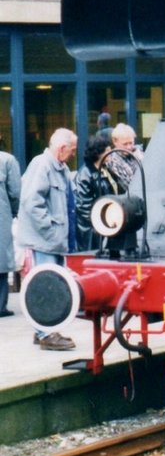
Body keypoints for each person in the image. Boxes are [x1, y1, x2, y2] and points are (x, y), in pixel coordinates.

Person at [17, 128, 78, 351]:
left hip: (53, 241)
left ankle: (43, 329)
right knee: (45, 287)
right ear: (61, 148)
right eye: (72, 150)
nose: (73, 154)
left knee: (50, 285)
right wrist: (50, 229)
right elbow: (31, 202)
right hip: (45, 241)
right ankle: (45, 333)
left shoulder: (59, 168)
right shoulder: (42, 165)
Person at [75, 134, 122, 251]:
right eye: (107, 150)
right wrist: (101, 224)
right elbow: (83, 206)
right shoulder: (85, 174)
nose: (110, 152)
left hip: (107, 223)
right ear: (98, 153)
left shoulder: (106, 169)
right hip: (93, 230)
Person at [0, 136, 19, 318]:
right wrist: (14, 212)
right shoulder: (7, 160)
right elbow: (15, 192)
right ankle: (0, 305)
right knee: (2, 261)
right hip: (2, 217)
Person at [107, 123, 142, 191]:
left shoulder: (137, 153)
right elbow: (130, 185)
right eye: (125, 144)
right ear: (115, 142)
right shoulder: (112, 159)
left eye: (131, 143)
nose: (129, 147)